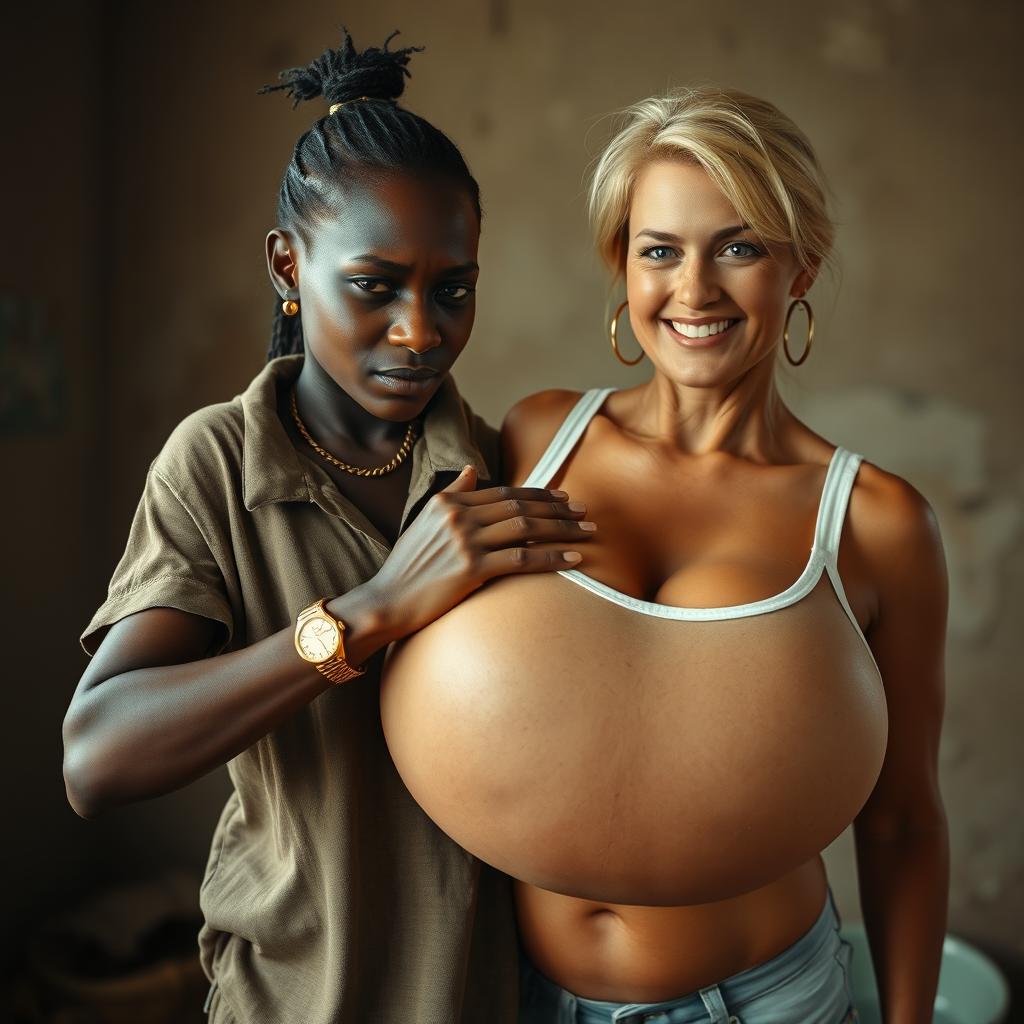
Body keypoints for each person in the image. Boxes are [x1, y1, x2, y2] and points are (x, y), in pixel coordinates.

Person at [381, 88, 949, 1023]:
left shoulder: (876, 522)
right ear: (623, 265)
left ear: (801, 267)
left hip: (761, 1004)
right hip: (515, 994)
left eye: (739, 246)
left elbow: (905, 821)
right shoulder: (535, 435)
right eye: (660, 251)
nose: (694, 291)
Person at [62, 31, 596, 1024]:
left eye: (453, 289)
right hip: (290, 998)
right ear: (286, 264)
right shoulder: (217, 463)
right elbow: (97, 756)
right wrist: (370, 611)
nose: (419, 330)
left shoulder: (498, 466)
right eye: (373, 285)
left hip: (481, 1001)